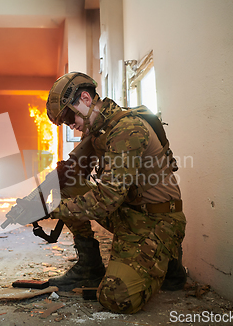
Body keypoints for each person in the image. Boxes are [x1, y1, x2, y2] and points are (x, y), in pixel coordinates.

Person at [44, 72, 187, 314]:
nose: (70, 124)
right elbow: (71, 174)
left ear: (86, 99)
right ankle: (90, 265)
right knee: (64, 181)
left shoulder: (126, 130)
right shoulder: (99, 130)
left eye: (69, 116)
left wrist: (50, 209)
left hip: (157, 221)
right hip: (129, 213)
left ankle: (168, 260)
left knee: (116, 298)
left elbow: (106, 200)